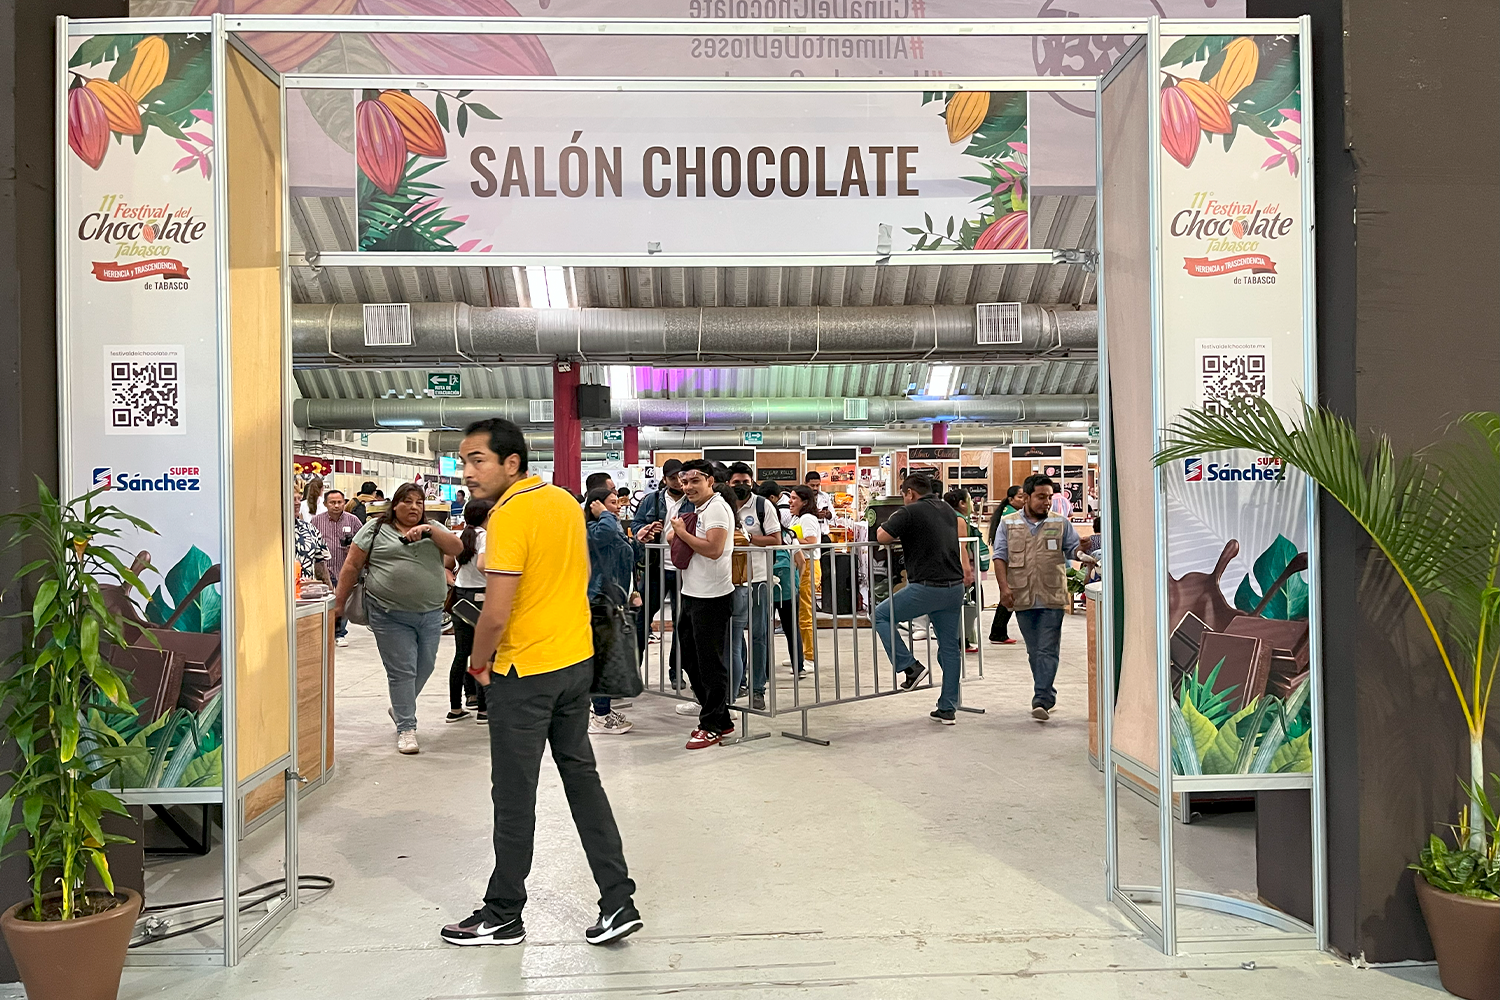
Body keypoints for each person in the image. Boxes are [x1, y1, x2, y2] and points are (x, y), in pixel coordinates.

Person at [442, 417, 640, 948]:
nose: (468, 471)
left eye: (477, 460)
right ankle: (618, 899)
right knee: (582, 780)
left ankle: (503, 911)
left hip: (523, 672)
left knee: (512, 793)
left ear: (512, 463)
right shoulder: (560, 501)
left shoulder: (509, 514)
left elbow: (496, 612)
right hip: (575, 663)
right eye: (463, 460)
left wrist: (478, 664)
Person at [333, 482, 462, 754]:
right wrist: (339, 603)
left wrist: (429, 530)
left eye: (419, 502)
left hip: (430, 614)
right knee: (402, 671)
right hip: (388, 613)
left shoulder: (434, 531)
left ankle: (401, 706)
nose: (413, 507)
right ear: (395, 505)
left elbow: (457, 547)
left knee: (425, 667)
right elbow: (352, 566)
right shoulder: (375, 529)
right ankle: (406, 727)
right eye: (407, 501)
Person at [873, 474, 974, 725]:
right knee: (950, 648)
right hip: (953, 587)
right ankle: (948, 707)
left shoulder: (909, 512)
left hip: (926, 588)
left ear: (909, 493)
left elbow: (882, 536)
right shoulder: (948, 511)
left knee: (881, 615)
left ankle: (909, 666)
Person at [994, 474, 1089, 723]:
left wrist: (1084, 552)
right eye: (1040, 497)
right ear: (1026, 497)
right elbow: (1000, 557)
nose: (1046, 502)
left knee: (1047, 648)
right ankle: (1048, 693)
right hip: (1021, 595)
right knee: (1034, 650)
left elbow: (1072, 549)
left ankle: (1042, 699)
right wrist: (1003, 589)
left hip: (1051, 595)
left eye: (1049, 497)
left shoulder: (1060, 523)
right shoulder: (1008, 523)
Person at [667, 459, 736, 750]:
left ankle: (710, 725)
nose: (688, 487)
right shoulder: (697, 509)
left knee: (710, 663)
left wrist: (682, 533)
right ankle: (721, 718)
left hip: (713, 597)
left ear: (710, 481)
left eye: (695, 481)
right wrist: (677, 532)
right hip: (693, 594)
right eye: (684, 482)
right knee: (689, 659)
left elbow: (714, 549)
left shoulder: (718, 508)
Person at [583, 486, 639, 735]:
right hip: (597, 599)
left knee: (609, 655)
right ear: (596, 505)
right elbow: (602, 535)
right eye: (612, 502)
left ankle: (602, 710)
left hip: (613, 597)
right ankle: (600, 715)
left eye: (617, 502)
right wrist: (605, 514)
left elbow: (627, 556)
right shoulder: (593, 528)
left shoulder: (612, 525)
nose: (617, 506)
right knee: (602, 659)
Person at [729, 473, 780, 711]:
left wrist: (749, 538)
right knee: (734, 635)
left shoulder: (762, 505)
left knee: (759, 635)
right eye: (735, 482)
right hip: (731, 581)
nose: (740, 486)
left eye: (745, 482)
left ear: (752, 483)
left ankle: (758, 689)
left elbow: (776, 539)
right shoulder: (723, 505)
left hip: (759, 579)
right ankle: (739, 682)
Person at [631, 459, 684, 676]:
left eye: (681, 477)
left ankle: (676, 672)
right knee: (643, 619)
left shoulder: (693, 501)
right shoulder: (651, 500)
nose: (679, 482)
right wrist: (645, 529)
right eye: (673, 478)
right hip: (655, 567)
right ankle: (634, 671)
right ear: (664, 479)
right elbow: (635, 525)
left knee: (682, 623)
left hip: (684, 569)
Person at [446, 498, 493, 725]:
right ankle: (484, 710)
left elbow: (448, 563)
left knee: (460, 654)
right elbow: (484, 565)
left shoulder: (462, 535)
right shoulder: (484, 537)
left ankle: (456, 708)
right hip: (481, 598)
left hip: (460, 598)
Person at [310, 488, 363, 645]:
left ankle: (340, 633)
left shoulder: (353, 520)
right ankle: (327, 631)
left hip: (345, 566)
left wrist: (353, 548)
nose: (336, 505)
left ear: (344, 503)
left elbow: (363, 540)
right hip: (324, 569)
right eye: (332, 502)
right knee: (326, 601)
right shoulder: (316, 521)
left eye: (339, 502)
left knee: (343, 600)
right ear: (326, 504)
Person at [785, 485, 823, 677]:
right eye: (790, 498)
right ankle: (799, 654)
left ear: (805, 502)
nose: (790, 502)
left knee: (805, 612)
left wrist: (792, 541)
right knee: (798, 612)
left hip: (808, 566)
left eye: (794, 499)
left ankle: (809, 657)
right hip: (799, 566)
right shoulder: (796, 518)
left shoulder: (808, 518)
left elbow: (812, 541)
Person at [943, 489, 983, 654]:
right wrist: (966, 571)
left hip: (953, 567)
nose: (972, 504)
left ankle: (963, 639)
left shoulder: (949, 517)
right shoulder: (959, 520)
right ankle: (961, 640)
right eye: (969, 500)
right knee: (970, 602)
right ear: (961, 503)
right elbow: (962, 546)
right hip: (963, 568)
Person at [987, 486, 1023, 645]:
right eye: (1020, 497)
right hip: (1011, 561)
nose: (1024, 500)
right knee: (1009, 596)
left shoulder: (1008, 513)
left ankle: (998, 631)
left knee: (1011, 596)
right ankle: (997, 632)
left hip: (1011, 561)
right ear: (1011, 499)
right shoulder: (1011, 516)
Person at [292, 487, 332, 585]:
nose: (298, 503)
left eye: (299, 499)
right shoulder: (270, 532)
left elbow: (320, 563)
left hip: (306, 592)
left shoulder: (310, 529)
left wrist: (329, 589)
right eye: (293, 499)